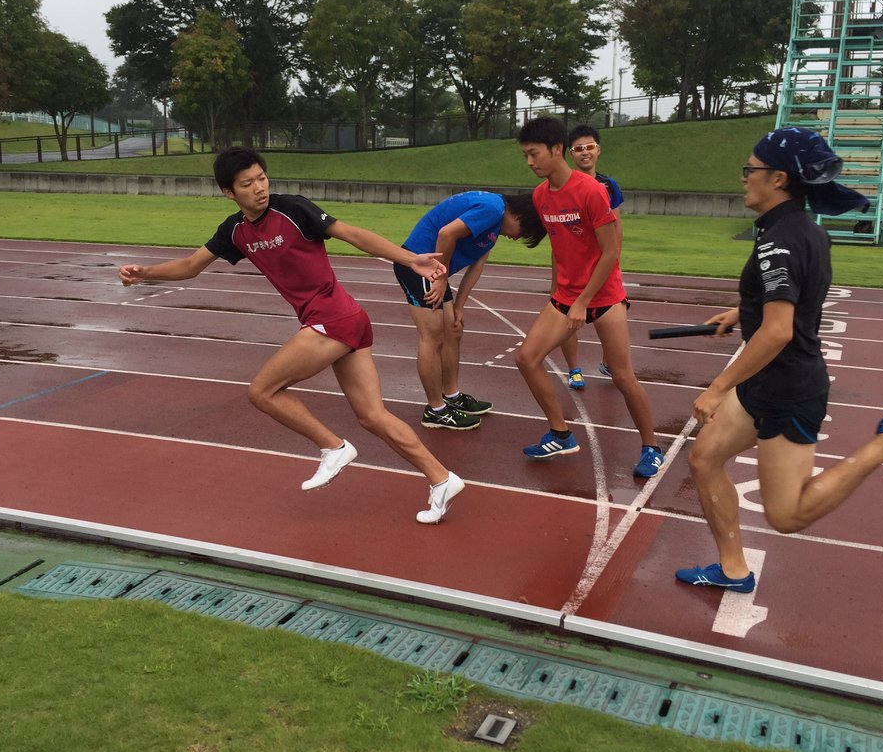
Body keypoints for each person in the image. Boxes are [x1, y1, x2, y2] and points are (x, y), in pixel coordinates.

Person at [677, 127, 883, 593]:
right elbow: (794, 298)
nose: (743, 179)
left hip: (788, 390)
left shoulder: (779, 241)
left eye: (749, 170)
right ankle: (734, 570)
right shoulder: (799, 229)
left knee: (787, 516)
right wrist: (742, 311)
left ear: (777, 179)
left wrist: (718, 387)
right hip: (767, 382)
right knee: (705, 458)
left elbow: (777, 330)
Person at [118, 147, 465, 524]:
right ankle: (441, 479)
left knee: (262, 391)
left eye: (262, 178)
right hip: (344, 320)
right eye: (247, 184)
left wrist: (409, 258)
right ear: (229, 192)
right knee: (372, 416)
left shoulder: (293, 209)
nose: (259, 188)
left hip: (332, 317)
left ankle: (333, 447)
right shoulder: (234, 231)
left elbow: (352, 234)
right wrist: (146, 273)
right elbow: (189, 267)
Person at [514, 117, 665, 477]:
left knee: (623, 377)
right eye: (525, 156)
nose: (530, 162)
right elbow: (559, 248)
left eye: (534, 154)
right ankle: (560, 433)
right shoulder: (540, 195)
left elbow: (610, 252)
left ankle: (652, 447)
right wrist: (558, 291)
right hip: (566, 296)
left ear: (556, 150)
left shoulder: (591, 190)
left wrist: (583, 300)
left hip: (605, 297)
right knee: (526, 358)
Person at [395, 190, 547, 430]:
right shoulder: (493, 209)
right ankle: (435, 410)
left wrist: (459, 305)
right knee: (432, 337)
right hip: (419, 264)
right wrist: (442, 279)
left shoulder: (494, 223)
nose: (518, 239)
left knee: (453, 330)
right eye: (524, 234)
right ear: (520, 218)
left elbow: (479, 263)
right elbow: (446, 234)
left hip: (435, 272)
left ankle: (451, 395)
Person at [560, 124, 625, 391]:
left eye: (589, 147)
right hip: (574, 268)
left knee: (608, 316)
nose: (584, 153)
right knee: (568, 318)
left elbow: (616, 226)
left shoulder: (609, 185)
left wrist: (614, 259)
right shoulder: (564, 185)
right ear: (570, 155)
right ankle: (574, 369)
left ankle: (608, 361)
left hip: (604, 266)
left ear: (598, 150)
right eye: (578, 149)